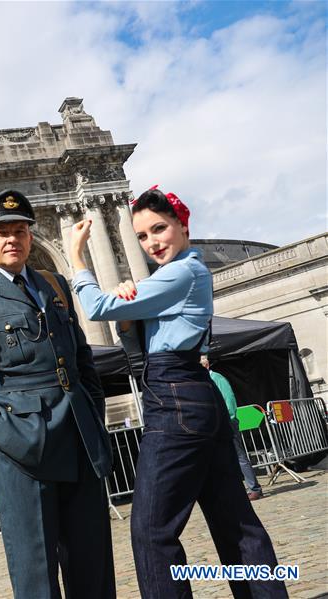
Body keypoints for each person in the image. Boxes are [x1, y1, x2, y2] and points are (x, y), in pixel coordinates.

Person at [69, 184, 286, 598]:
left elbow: (96, 309)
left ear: (183, 225)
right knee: (235, 523)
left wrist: (78, 258)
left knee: (152, 530)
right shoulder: (186, 272)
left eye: (159, 229)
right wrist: (129, 307)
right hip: (191, 394)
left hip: (175, 402)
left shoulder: (181, 272)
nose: (152, 242)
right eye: (143, 236)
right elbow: (132, 341)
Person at [0, 190, 115, 599]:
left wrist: (92, 411)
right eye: (2, 232)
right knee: (35, 576)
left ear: (31, 238)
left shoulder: (55, 285)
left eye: (20, 231)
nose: (12, 239)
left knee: (94, 570)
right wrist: (1, 439)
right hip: (22, 450)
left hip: (80, 440)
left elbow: (82, 360)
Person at [201, 356, 264, 500]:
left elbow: (229, 400)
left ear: (206, 366)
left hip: (227, 423)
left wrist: (226, 419)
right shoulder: (206, 382)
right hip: (216, 424)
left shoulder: (217, 378)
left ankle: (254, 488)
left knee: (239, 456)